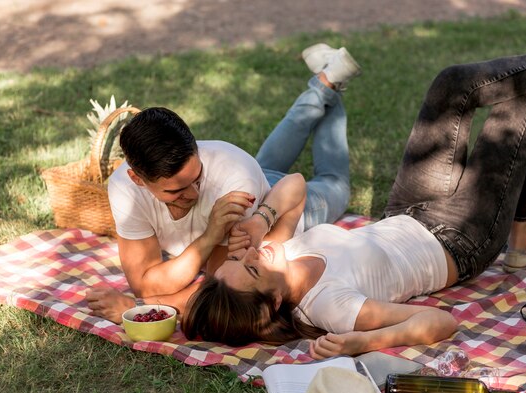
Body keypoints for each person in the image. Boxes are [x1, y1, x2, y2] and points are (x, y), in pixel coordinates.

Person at [182, 34, 526, 359]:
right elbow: (441, 322)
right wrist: (364, 342)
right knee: (522, 108)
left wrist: (262, 219)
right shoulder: (332, 308)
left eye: (239, 260)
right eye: (251, 270)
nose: (250, 255)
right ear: (272, 303)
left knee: (450, 85)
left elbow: (293, 183)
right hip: (457, 242)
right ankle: (520, 241)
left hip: (407, 209)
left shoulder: (275, 253)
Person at [86, 44, 362, 323]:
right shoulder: (124, 187)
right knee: (263, 164)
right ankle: (326, 82)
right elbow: (145, 283)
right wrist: (210, 236)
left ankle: (329, 85)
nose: (193, 193)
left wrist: (136, 309)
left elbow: (217, 290)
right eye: (176, 190)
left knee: (333, 181)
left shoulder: (234, 178)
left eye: (197, 177)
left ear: (196, 148)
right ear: (138, 179)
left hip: (282, 206)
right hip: (256, 177)